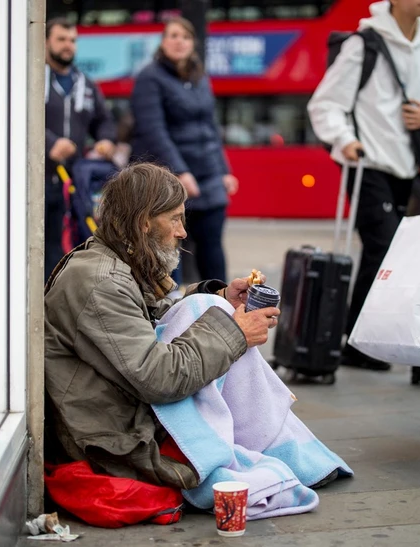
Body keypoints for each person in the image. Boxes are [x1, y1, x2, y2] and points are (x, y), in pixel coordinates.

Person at [43, 163, 279, 488]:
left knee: (209, 306)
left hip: (121, 419)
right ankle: (278, 444)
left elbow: (159, 315)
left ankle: (275, 441)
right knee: (213, 318)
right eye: (175, 219)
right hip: (113, 443)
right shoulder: (101, 281)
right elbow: (159, 378)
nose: (183, 232)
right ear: (144, 223)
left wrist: (223, 297)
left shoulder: (119, 259)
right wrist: (235, 333)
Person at [308, 0, 420, 371]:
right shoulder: (364, 43)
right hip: (367, 161)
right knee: (383, 246)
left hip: (409, 166)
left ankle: (361, 338)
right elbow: (324, 104)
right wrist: (345, 139)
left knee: (388, 252)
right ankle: (358, 340)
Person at [130, 17, 238, 283]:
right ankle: (169, 310)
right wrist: (180, 172)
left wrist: (224, 171)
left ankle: (221, 305)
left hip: (209, 176)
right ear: (163, 42)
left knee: (213, 249)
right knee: (166, 251)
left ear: (194, 43)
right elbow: (153, 130)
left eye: (185, 37)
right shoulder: (149, 77)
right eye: (173, 36)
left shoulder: (201, 78)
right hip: (172, 178)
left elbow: (211, 128)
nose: (179, 41)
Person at [44, 18, 117, 283]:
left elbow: (104, 121)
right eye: (61, 39)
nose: (68, 46)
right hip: (36, 180)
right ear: (45, 42)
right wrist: (50, 143)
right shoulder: (31, 78)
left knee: (74, 243)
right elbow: (18, 117)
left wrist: (106, 140)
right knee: (44, 244)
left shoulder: (85, 83)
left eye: (72, 40)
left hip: (75, 181)